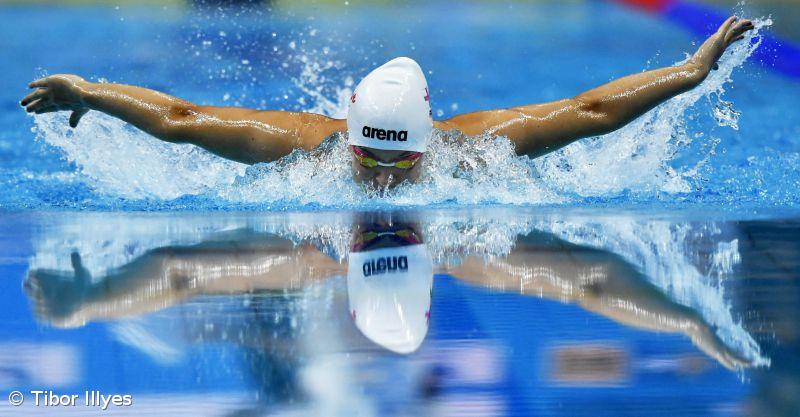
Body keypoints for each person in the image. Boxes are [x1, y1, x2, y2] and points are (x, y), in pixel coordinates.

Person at [20, 17, 753, 190]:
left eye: (396, 158)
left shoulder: (473, 149)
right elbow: (182, 120)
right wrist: (94, 92)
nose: (377, 173)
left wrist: (688, 72)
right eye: (365, 152)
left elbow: (590, 110)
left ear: (427, 137)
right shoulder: (304, 145)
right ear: (347, 127)